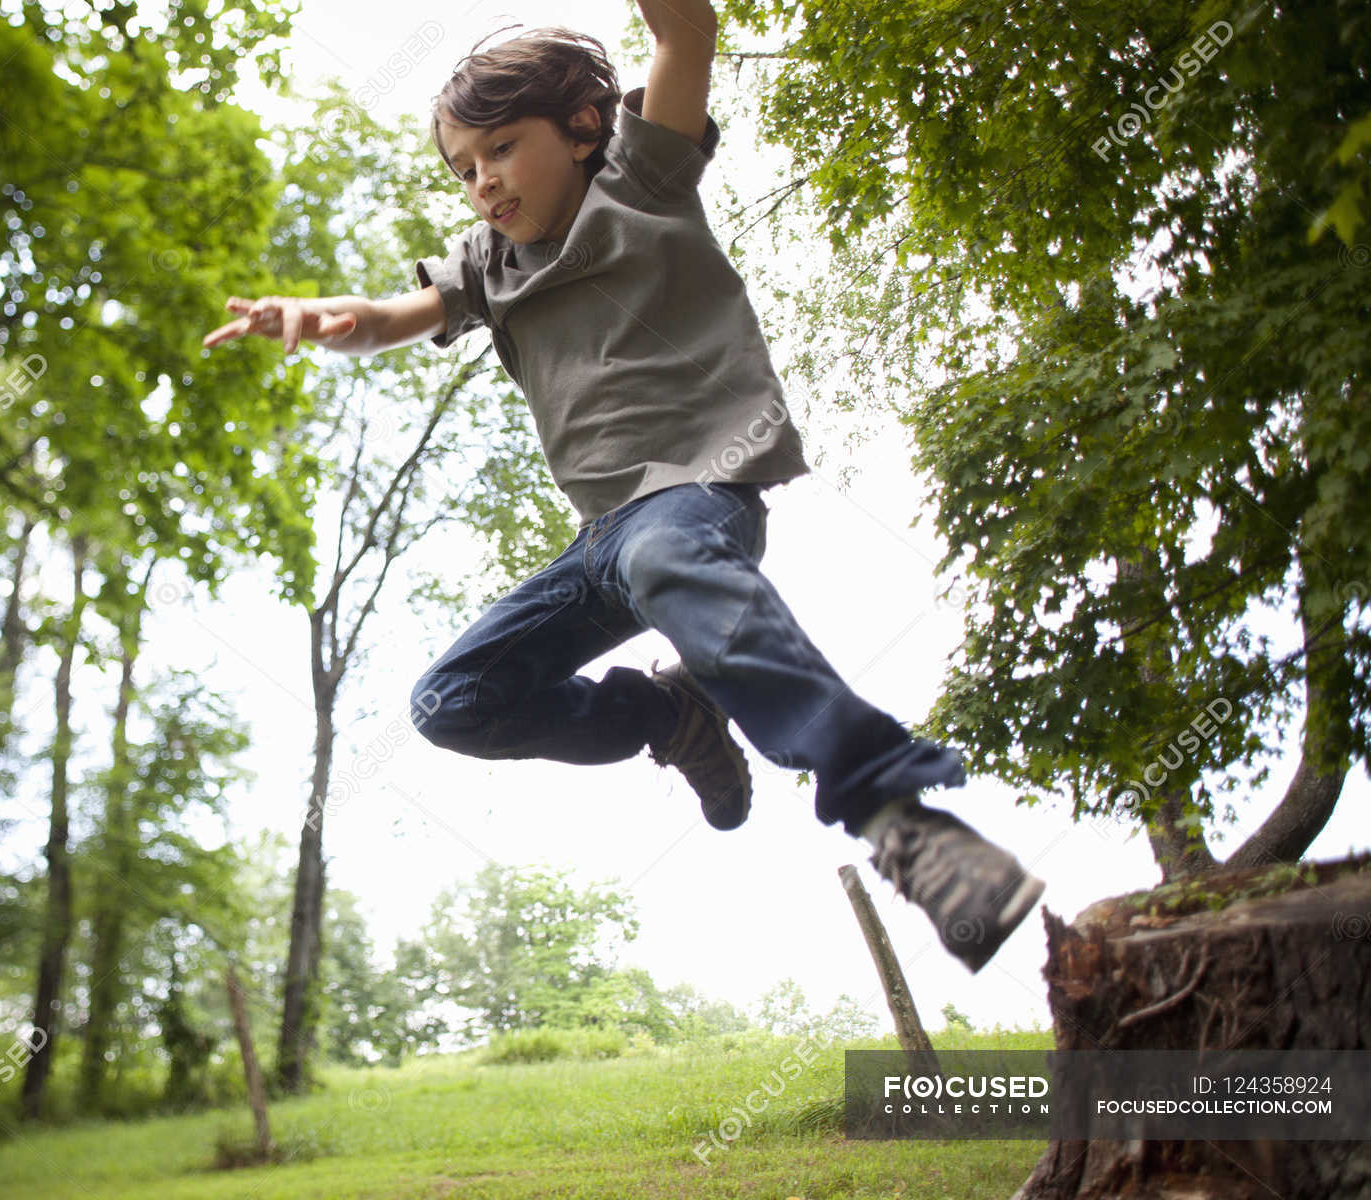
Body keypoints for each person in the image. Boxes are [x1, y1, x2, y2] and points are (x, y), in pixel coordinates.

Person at [200, 5, 1044, 973]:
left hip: (694, 503)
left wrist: (675, 25)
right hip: (601, 546)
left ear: (584, 128)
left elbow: (686, 38)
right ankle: (671, 718)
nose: (483, 183)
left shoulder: (644, 178)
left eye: (503, 151)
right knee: (452, 702)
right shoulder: (489, 262)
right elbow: (394, 316)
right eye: (464, 169)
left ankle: (903, 822)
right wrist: (314, 317)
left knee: (661, 552)